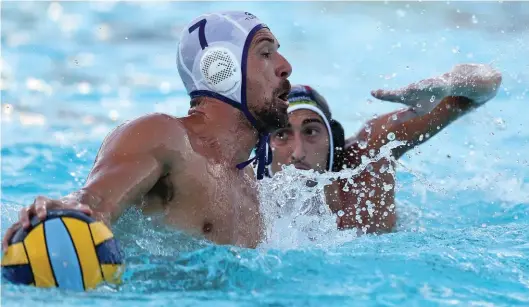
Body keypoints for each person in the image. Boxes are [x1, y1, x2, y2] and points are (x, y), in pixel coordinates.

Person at [2, 10, 293, 251]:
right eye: (265, 53)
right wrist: (65, 208)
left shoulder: (250, 184)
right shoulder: (165, 137)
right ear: (221, 68)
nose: (286, 67)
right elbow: (94, 203)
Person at [269, 64, 502, 234]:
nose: (298, 152)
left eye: (311, 132)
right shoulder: (247, 193)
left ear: (334, 139)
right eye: (281, 134)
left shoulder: (367, 159)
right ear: (262, 147)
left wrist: (448, 84)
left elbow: (489, 82)